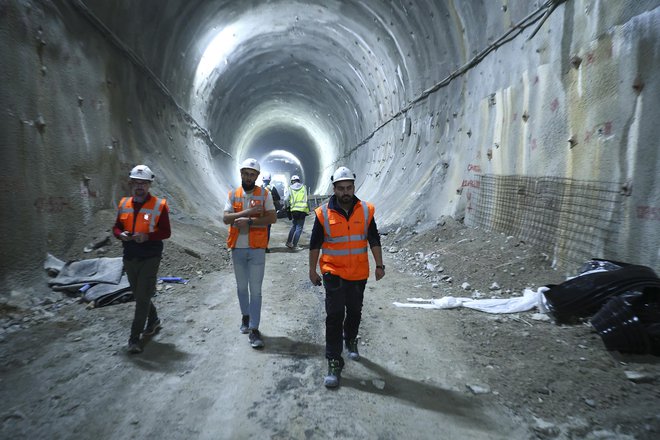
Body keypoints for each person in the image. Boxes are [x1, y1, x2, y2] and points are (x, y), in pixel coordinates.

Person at [308, 166, 385, 388]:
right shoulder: (323, 214)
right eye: (341, 188)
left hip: (358, 273)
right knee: (334, 316)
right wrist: (312, 270)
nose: (345, 192)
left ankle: (350, 338)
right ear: (334, 189)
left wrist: (379, 265)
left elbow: (374, 238)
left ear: (354, 187)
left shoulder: (366, 211)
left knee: (354, 311)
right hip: (333, 272)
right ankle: (333, 360)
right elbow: (315, 245)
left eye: (349, 188)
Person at [113, 164, 171, 354]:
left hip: (150, 256)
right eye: (136, 183)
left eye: (143, 183)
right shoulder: (124, 204)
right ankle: (153, 320)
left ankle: (134, 337)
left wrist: (147, 236)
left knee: (142, 298)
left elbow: (166, 232)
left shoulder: (159, 205)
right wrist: (121, 235)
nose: (139, 187)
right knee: (140, 295)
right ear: (131, 184)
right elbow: (116, 228)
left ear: (149, 185)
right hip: (130, 256)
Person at [223, 158, 277, 349]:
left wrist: (251, 222)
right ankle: (245, 316)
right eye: (245, 173)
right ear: (241, 174)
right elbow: (225, 218)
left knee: (256, 290)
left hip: (256, 249)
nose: (248, 177)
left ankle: (254, 329)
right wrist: (246, 213)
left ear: (257, 176)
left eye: (252, 174)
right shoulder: (233, 194)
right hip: (238, 247)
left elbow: (273, 217)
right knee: (240, 288)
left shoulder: (265, 194)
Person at [285, 174, 309, 251]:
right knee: (299, 228)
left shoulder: (290, 188)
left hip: (294, 210)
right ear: (299, 180)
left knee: (294, 226)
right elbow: (306, 198)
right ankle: (295, 245)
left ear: (292, 181)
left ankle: (289, 242)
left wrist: (287, 207)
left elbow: (285, 199)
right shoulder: (304, 187)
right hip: (302, 210)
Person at [261, 172, 282, 253]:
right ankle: (265, 247)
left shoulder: (260, 187)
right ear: (270, 180)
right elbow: (278, 198)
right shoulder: (272, 187)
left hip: (261, 211)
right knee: (267, 229)